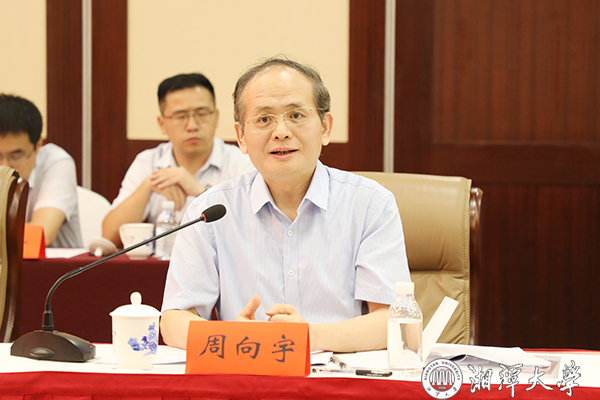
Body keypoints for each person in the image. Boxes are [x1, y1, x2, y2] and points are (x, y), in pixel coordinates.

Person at [160, 57, 411, 353]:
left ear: (325, 127)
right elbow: (174, 321)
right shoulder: (211, 211)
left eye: (296, 115)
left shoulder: (370, 204)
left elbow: (394, 322)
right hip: (247, 371)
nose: (281, 131)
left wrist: (305, 338)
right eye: (264, 119)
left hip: (337, 374)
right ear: (241, 136)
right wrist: (233, 339)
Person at [102, 73, 254, 247]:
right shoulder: (148, 162)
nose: (192, 126)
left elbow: (252, 229)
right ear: (162, 124)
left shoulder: (241, 162)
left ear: (216, 117)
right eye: (181, 116)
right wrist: (148, 186)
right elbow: (109, 236)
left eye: (202, 113)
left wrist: (199, 191)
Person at [0, 93, 83, 248]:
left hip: (55, 263)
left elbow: (41, 235)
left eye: (16, 156)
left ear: (38, 145)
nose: (4, 167)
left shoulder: (56, 162)